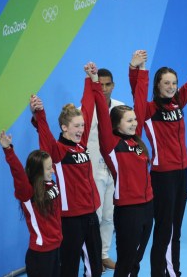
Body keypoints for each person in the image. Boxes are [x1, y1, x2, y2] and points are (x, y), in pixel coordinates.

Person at [129, 25, 187, 276]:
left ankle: (170, 272)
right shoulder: (149, 110)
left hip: (181, 173)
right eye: (166, 83)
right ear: (158, 86)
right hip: (162, 176)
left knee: (175, 229)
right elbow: (137, 95)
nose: (171, 86)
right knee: (165, 230)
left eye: (174, 82)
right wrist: (136, 69)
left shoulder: (179, 102)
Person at [29, 64, 102, 277]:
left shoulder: (81, 145)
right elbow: (44, 135)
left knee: (94, 267)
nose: (81, 129)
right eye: (77, 126)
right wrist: (39, 113)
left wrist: (90, 80)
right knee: (68, 269)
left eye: (82, 125)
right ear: (64, 128)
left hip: (90, 214)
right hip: (70, 220)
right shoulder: (58, 151)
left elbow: (87, 107)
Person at [89, 52, 153, 277]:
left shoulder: (136, 139)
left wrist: (141, 70)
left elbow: (140, 101)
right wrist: (95, 83)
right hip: (128, 211)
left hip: (148, 207)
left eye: (136, 120)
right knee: (125, 262)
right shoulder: (111, 145)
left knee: (136, 261)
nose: (135, 123)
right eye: (130, 120)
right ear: (116, 124)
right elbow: (100, 107)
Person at [0, 130, 62, 277]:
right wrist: (8, 151)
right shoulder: (27, 193)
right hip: (40, 254)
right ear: (38, 171)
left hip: (56, 248)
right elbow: (18, 173)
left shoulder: (50, 183)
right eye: (48, 168)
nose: (52, 170)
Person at [86, 68, 123, 273]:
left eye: (108, 84)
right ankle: (93, 258)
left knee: (110, 215)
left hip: (113, 171)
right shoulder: (86, 109)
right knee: (96, 216)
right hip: (93, 171)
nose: (104, 88)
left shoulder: (120, 108)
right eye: (100, 84)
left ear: (113, 85)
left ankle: (104, 255)